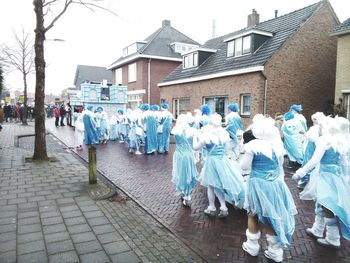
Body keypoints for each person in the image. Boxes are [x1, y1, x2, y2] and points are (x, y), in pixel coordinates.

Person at [241, 115, 297, 262]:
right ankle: (275, 251)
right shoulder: (277, 146)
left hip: (258, 183)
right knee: (272, 215)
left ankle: (252, 247)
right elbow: (279, 167)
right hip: (275, 184)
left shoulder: (252, 146)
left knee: (252, 213)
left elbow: (244, 167)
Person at [293, 117, 350, 249]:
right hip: (336, 177)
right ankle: (317, 229)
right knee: (321, 202)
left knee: (328, 206)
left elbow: (314, 161)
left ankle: (333, 238)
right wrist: (346, 178)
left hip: (326, 177)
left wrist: (300, 173)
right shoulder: (341, 142)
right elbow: (344, 163)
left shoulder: (324, 141)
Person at [194, 113, 245, 218]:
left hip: (212, 162)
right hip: (222, 161)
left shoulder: (207, 135)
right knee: (217, 184)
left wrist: (195, 137)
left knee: (212, 185)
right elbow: (226, 150)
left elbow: (196, 148)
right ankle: (220, 207)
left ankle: (214, 207)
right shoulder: (224, 134)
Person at [171, 114, 199, 206]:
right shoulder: (192, 131)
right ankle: (187, 195)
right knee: (189, 175)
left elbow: (176, 141)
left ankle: (183, 192)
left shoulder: (176, 131)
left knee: (181, 174)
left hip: (179, 156)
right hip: (189, 156)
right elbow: (195, 147)